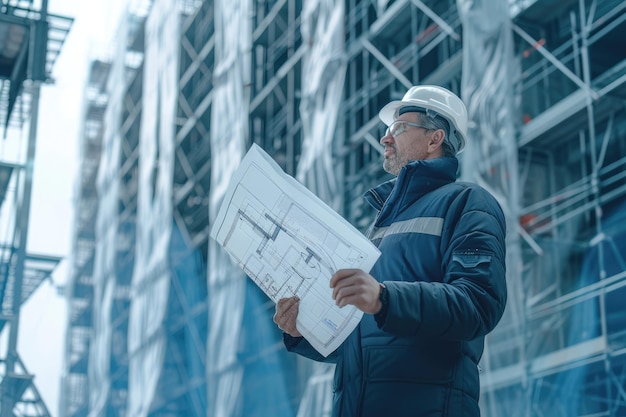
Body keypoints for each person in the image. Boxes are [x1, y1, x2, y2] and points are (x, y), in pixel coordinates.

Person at [273, 85, 507, 417]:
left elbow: (478, 304)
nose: (385, 139)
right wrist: (304, 330)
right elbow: (365, 339)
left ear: (434, 138)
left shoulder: (468, 203)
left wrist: (385, 298)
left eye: (398, 128)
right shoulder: (378, 229)